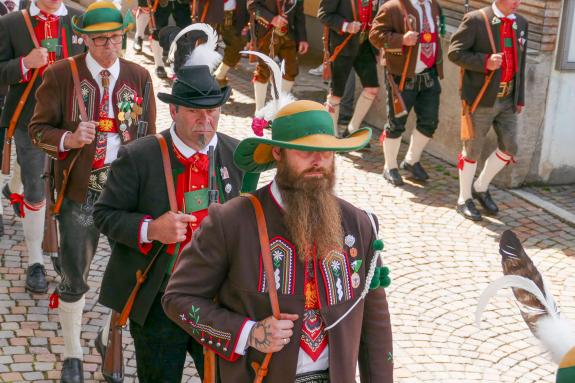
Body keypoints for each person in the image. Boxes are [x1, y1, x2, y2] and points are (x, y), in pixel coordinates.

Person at [162, 99, 394, 382]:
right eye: (305, 151)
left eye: (327, 152)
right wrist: (249, 333)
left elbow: (375, 326)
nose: (318, 162)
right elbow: (178, 299)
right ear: (278, 153)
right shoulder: (232, 221)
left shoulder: (360, 225)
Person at [93, 26, 258, 382]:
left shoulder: (237, 156)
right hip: (157, 299)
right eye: (196, 113)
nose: (206, 121)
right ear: (175, 112)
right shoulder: (140, 156)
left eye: (213, 111)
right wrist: (151, 229)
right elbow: (104, 215)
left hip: (220, 302)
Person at [28, 2, 156, 381]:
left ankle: (106, 337)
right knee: (75, 274)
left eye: (116, 38)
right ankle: (73, 353)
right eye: (101, 40)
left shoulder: (140, 75)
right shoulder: (60, 74)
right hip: (82, 188)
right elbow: (37, 130)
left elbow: (149, 134)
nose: (110, 47)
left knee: (133, 274)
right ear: (84, 39)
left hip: (127, 191)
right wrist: (68, 138)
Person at [0, 0, 85, 291]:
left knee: (69, 190)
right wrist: (24, 64)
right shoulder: (11, 24)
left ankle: (59, 248)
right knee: (36, 192)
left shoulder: (79, 19)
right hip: (29, 123)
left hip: (73, 124)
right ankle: (35, 260)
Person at [448, 0, 527, 221]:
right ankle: (464, 198)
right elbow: (454, 53)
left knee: (510, 147)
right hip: (481, 99)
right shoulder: (475, 20)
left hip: (508, 98)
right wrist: (485, 62)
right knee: (472, 150)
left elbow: (521, 63)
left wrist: (519, 97)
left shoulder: (520, 23)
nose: (518, 3)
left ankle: (480, 186)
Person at [370, 0, 445, 186]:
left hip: (429, 74)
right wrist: (401, 39)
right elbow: (375, 35)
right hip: (402, 77)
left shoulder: (433, 5)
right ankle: (390, 166)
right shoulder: (393, 7)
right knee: (396, 124)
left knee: (430, 122)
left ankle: (411, 160)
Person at [318, 0, 379, 137]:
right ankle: (332, 135)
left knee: (372, 89)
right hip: (342, 46)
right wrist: (346, 25)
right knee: (336, 94)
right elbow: (323, 14)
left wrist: (378, 50)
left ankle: (352, 129)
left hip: (365, 45)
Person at [247, 0, 308, 112]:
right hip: (265, 33)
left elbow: (299, 14)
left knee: (291, 70)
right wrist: (272, 19)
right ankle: (259, 111)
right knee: (264, 70)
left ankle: (279, 109)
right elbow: (252, 7)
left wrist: (303, 38)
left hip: (288, 34)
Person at [213, 0, 249, 86]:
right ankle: (212, 80)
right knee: (206, 47)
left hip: (234, 15)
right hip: (211, 13)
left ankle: (219, 76)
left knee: (237, 47)